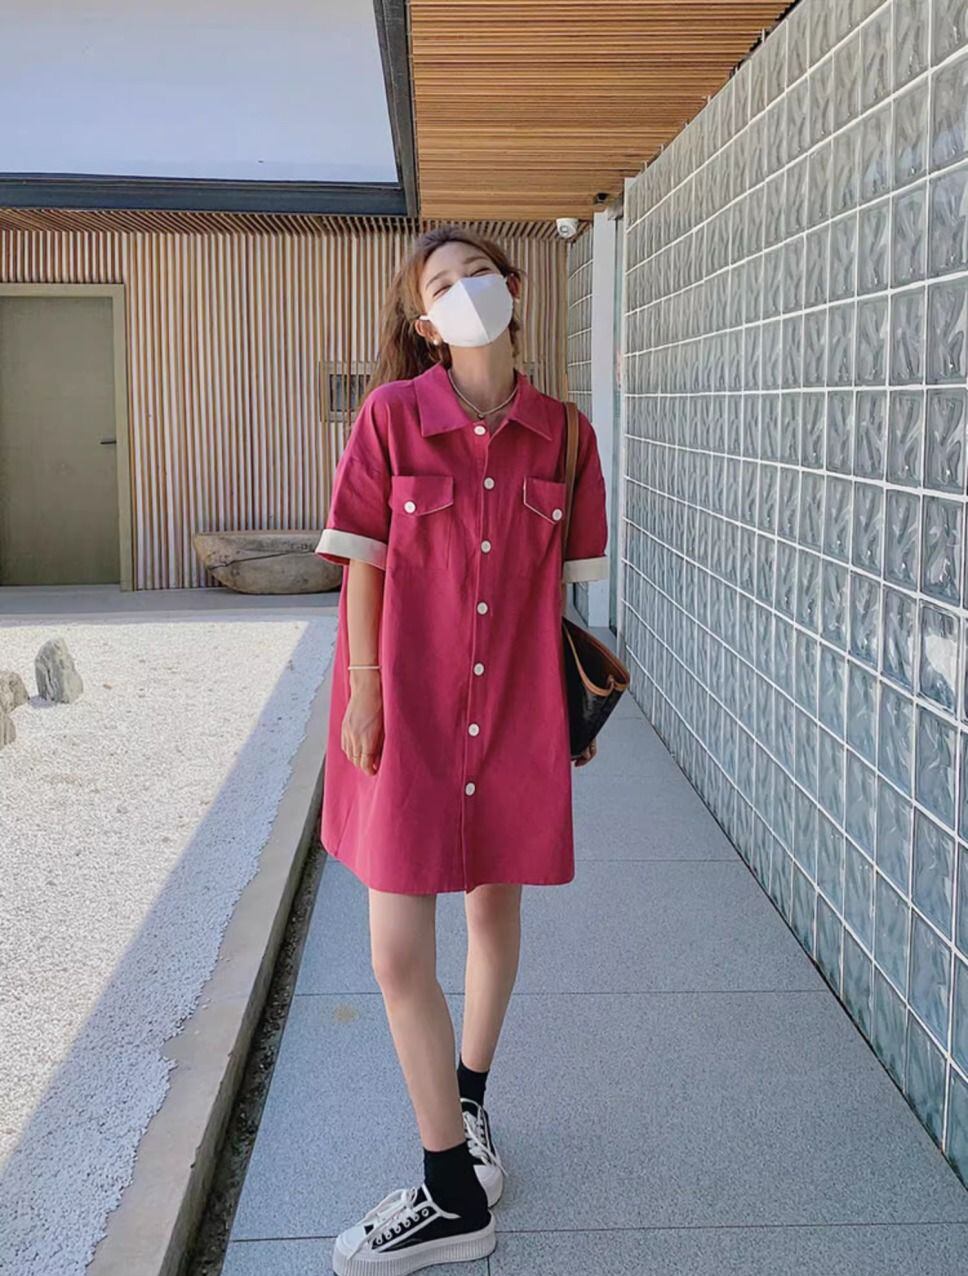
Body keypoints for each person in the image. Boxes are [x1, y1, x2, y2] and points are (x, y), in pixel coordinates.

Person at [315, 224, 609, 1274]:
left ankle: (467, 1110)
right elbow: (363, 560)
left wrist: (566, 713)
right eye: (440, 285)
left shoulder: (566, 438)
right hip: (406, 712)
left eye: (476, 272)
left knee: (492, 912)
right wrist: (365, 689)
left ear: (512, 287)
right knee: (396, 953)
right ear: (425, 323)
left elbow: (559, 594)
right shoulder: (392, 418)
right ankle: (451, 1192)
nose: (463, 290)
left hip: (513, 715)